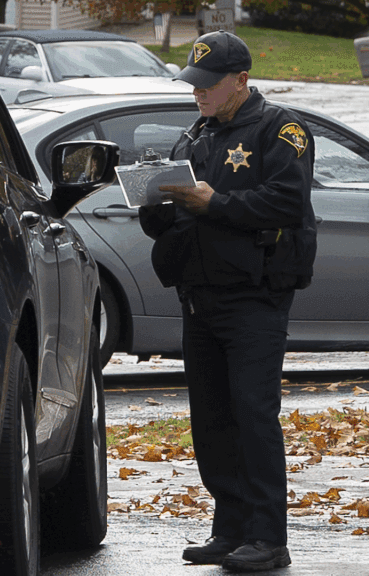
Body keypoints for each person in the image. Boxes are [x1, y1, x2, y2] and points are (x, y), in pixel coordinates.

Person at [138, 30, 316, 573]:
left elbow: (287, 200)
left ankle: (268, 536)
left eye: (209, 84)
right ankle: (231, 528)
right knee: (212, 418)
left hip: (254, 295)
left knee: (253, 415)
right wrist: (153, 202)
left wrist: (214, 204)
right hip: (199, 294)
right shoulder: (196, 135)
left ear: (241, 80)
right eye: (194, 83)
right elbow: (173, 218)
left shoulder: (280, 129)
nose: (199, 92)